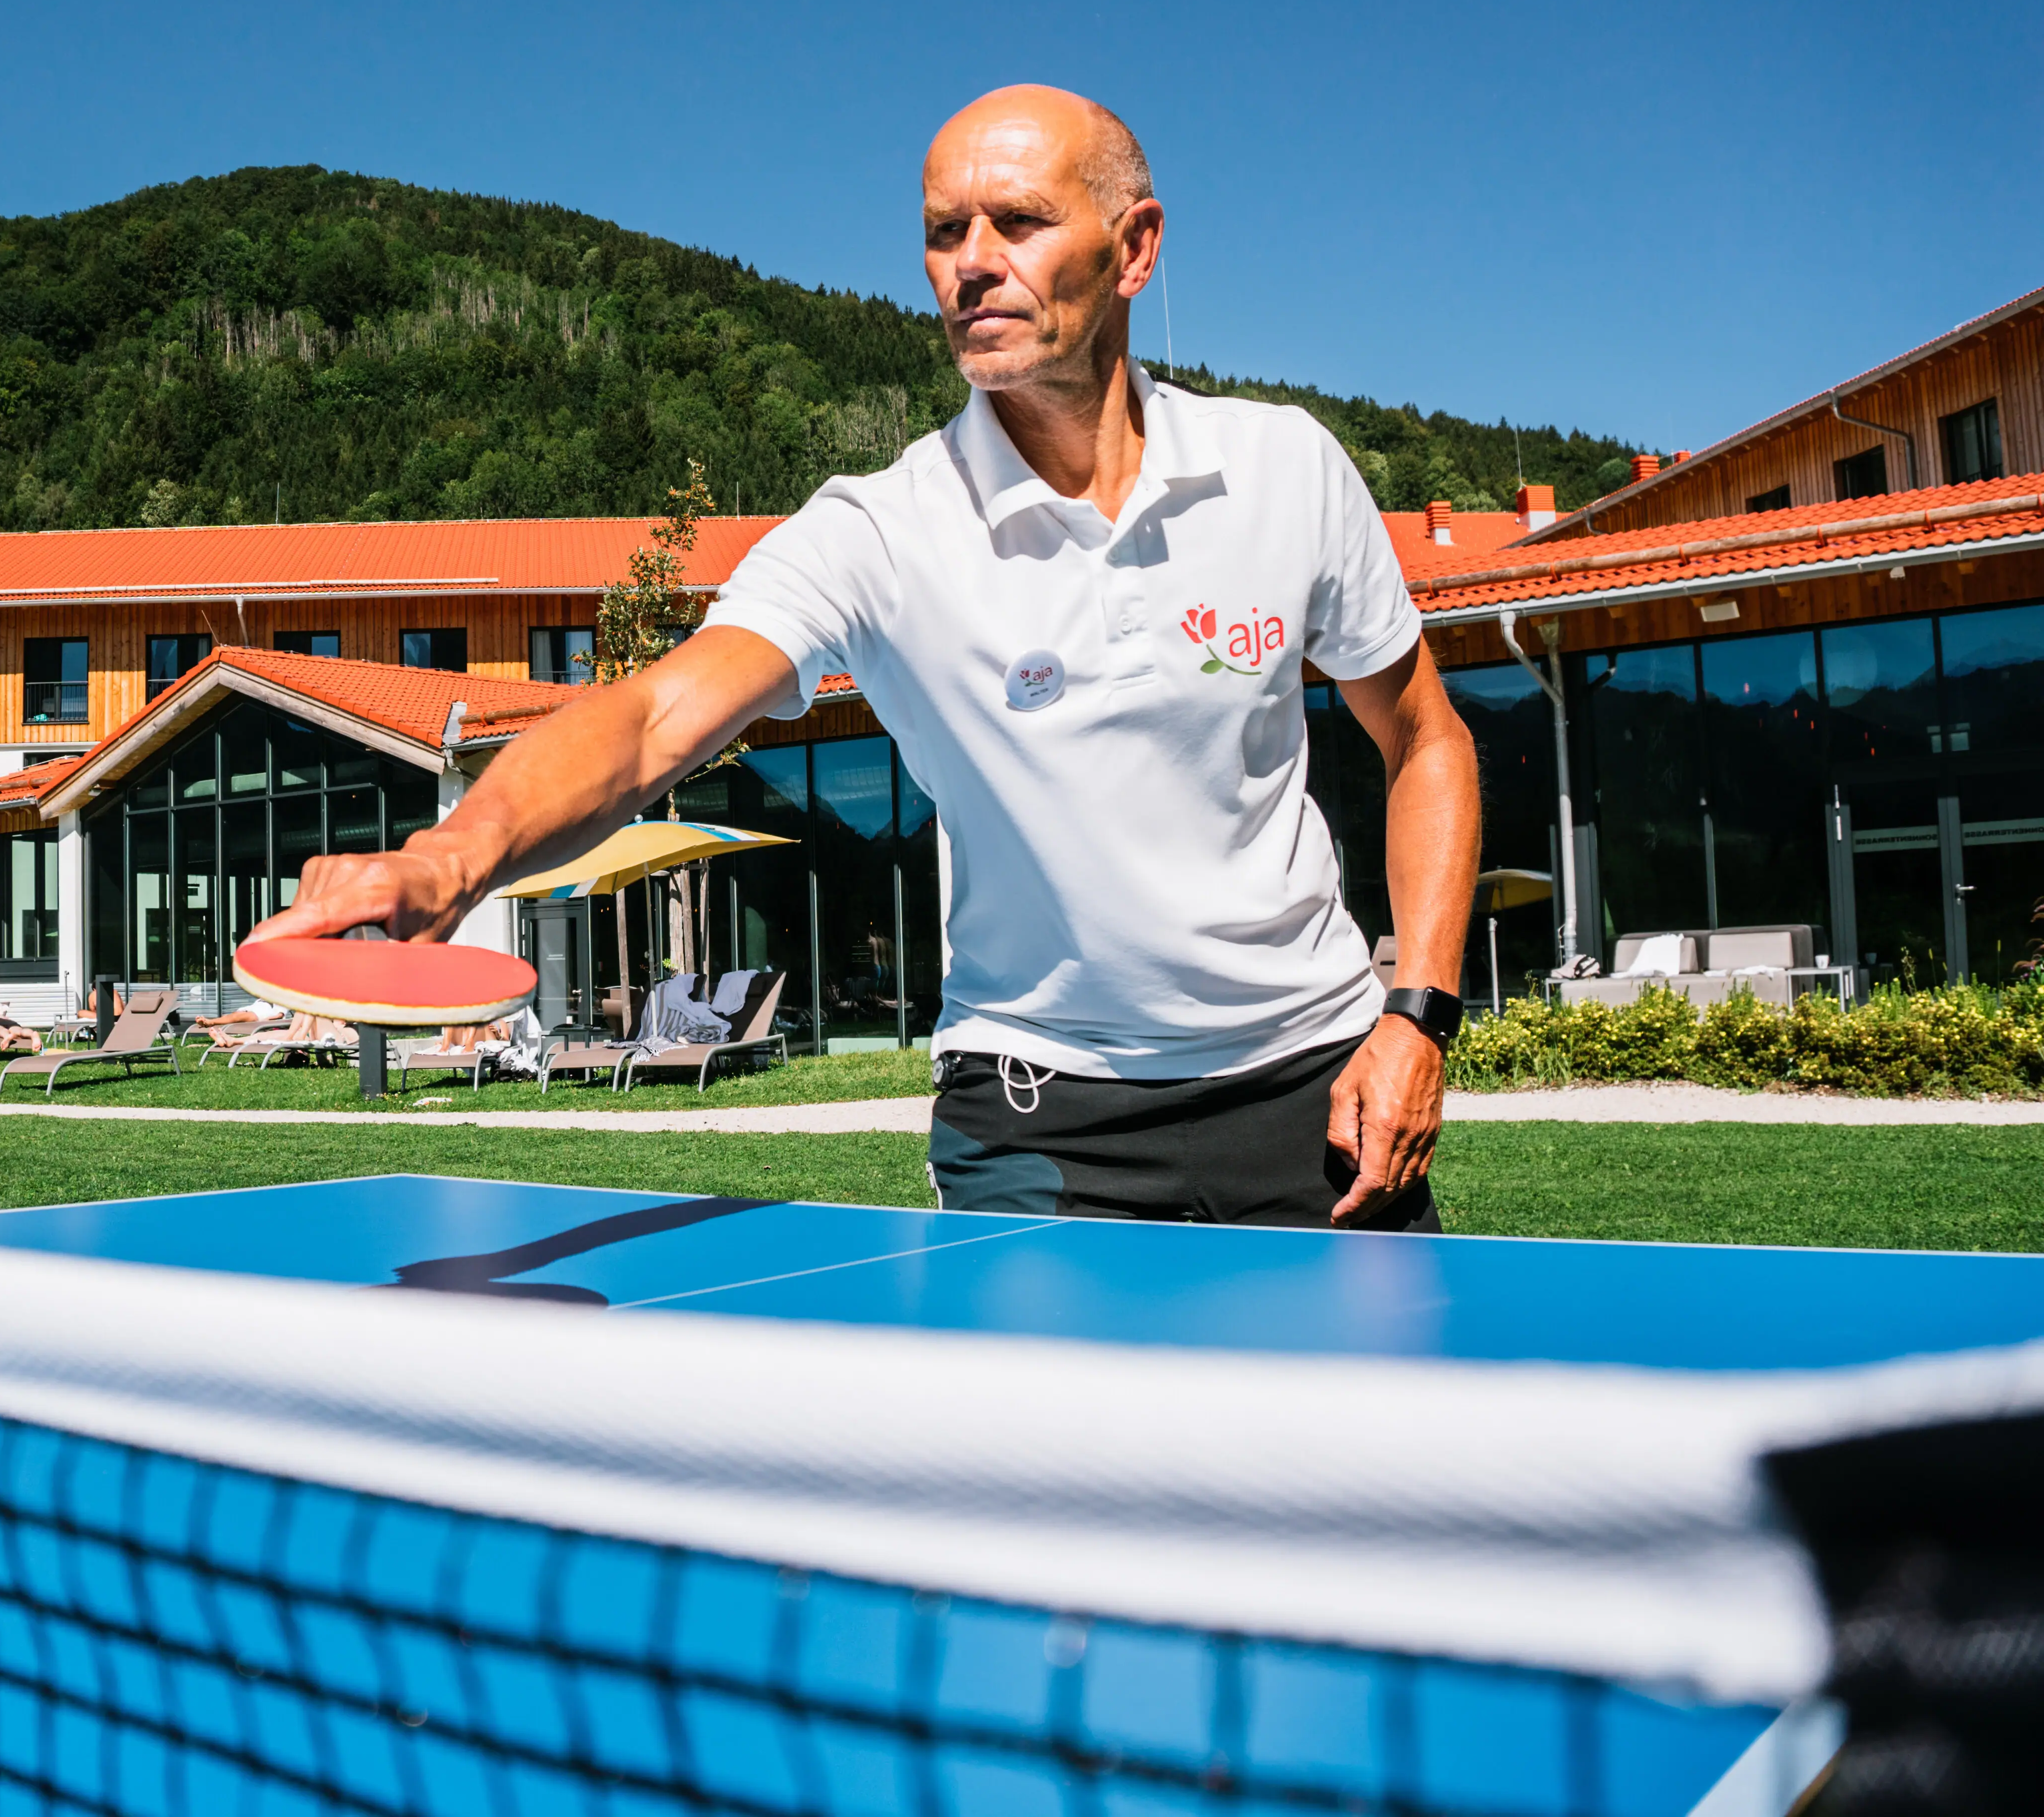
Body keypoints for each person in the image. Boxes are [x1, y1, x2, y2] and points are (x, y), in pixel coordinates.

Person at [256, 84, 1479, 1231]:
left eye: (1020, 222)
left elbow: (1427, 739)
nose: (973, 262)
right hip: (1045, 1118)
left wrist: (1418, 1016)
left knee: (1384, 1459)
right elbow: (651, 719)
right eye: (946, 231)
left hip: (1318, 1087)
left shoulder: (1285, 469)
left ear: (1135, 248)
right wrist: (449, 857)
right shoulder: (880, 531)